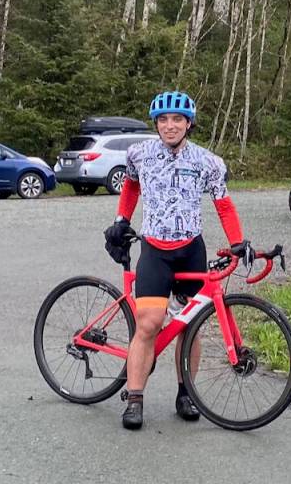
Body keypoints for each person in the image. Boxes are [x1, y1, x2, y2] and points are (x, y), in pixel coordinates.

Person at [103, 91, 254, 430]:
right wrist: (121, 220)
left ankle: (186, 392)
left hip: (191, 250)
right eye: (163, 120)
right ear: (156, 124)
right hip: (155, 251)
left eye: (177, 120)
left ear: (189, 123)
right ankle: (135, 397)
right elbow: (131, 187)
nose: (169, 125)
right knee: (149, 323)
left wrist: (237, 242)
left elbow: (224, 205)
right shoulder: (139, 154)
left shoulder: (208, 162)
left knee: (191, 325)